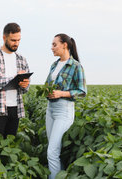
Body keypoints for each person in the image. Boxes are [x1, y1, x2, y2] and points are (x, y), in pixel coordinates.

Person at [45, 33, 87, 179]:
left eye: (54, 44)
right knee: (53, 150)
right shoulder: (54, 65)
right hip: (50, 109)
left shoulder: (76, 66)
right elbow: (48, 85)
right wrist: (47, 91)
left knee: (52, 152)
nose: (52, 48)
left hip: (64, 110)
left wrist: (61, 94)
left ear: (65, 45)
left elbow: (82, 91)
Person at [0, 22, 31, 138]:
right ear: (4, 37)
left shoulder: (21, 59)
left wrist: (25, 84)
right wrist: (14, 79)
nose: (16, 43)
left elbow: (26, 89)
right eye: (13, 40)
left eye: (19, 40)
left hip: (15, 109)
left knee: (9, 145)